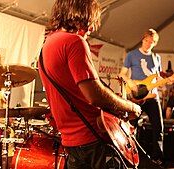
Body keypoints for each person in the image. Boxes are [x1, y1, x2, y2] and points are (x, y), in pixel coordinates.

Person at [38, 0, 141, 168]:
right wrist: (130, 107)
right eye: (90, 21)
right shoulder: (74, 42)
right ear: (78, 15)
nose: (92, 28)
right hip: (92, 137)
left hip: (71, 140)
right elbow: (95, 96)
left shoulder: (46, 46)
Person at [119, 29, 165, 165]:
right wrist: (132, 85)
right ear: (142, 39)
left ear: (154, 43)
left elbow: (157, 77)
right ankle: (127, 154)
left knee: (159, 128)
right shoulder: (131, 55)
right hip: (136, 96)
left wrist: (165, 81)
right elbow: (122, 74)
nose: (148, 44)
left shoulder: (157, 58)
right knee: (130, 127)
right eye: (146, 41)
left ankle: (158, 157)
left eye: (151, 43)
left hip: (152, 97)